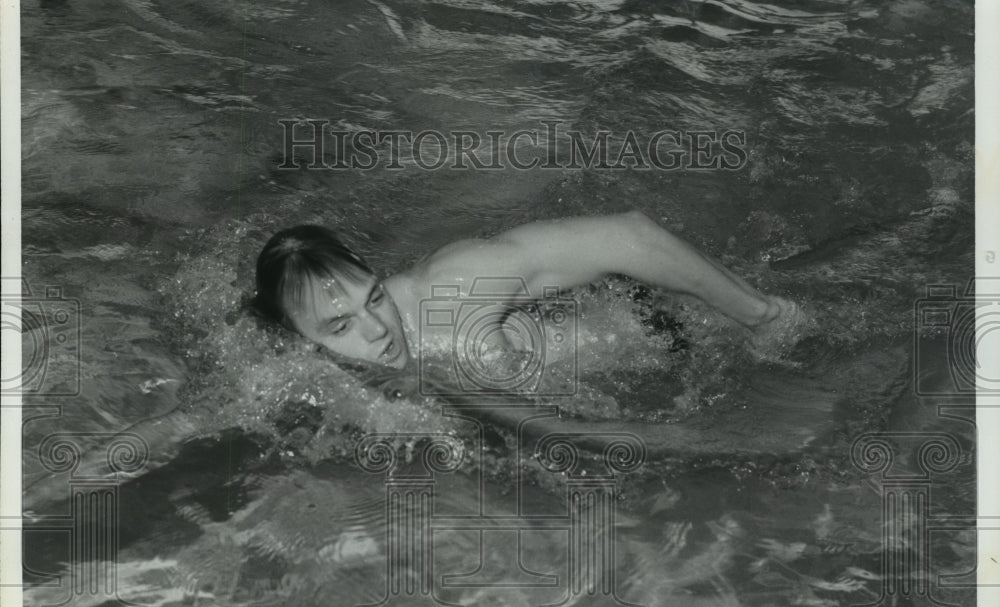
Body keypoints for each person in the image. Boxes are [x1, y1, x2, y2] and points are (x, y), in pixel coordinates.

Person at [252, 210, 805, 371]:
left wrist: (759, 316)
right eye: (340, 325)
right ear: (295, 338)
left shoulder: (451, 289)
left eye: (374, 298)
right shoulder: (289, 370)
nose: (379, 330)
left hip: (674, 336)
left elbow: (628, 235)